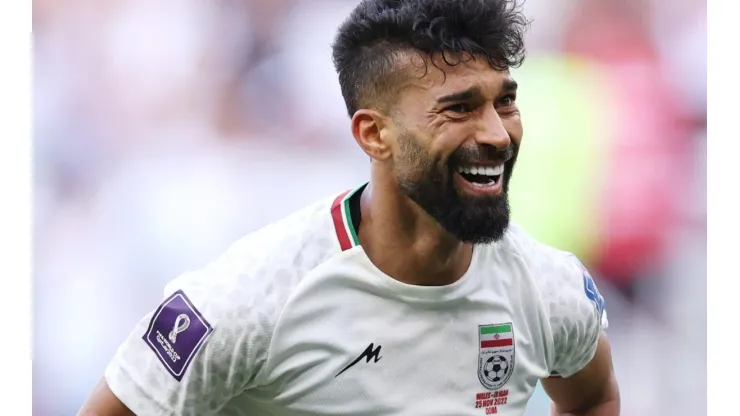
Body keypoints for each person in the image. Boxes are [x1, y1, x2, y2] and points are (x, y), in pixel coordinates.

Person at [78, 0, 620, 415]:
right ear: (374, 135)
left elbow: (592, 398)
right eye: (459, 109)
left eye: (505, 100)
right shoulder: (248, 301)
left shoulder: (550, 291)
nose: (499, 134)